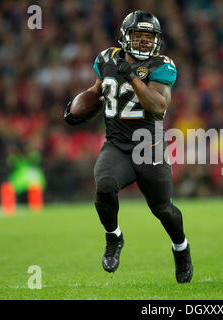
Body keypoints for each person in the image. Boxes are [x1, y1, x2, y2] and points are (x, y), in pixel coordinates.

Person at [64, 10, 193, 283]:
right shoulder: (107, 59)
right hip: (117, 145)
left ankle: (181, 248)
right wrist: (79, 108)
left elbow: (158, 106)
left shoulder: (161, 66)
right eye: (139, 37)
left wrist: (133, 77)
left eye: (149, 38)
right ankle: (114, 237)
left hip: (149, 147)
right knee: (105, 185)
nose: (145, 42)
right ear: (125, 37)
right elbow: (99, 91)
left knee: (163, 209)